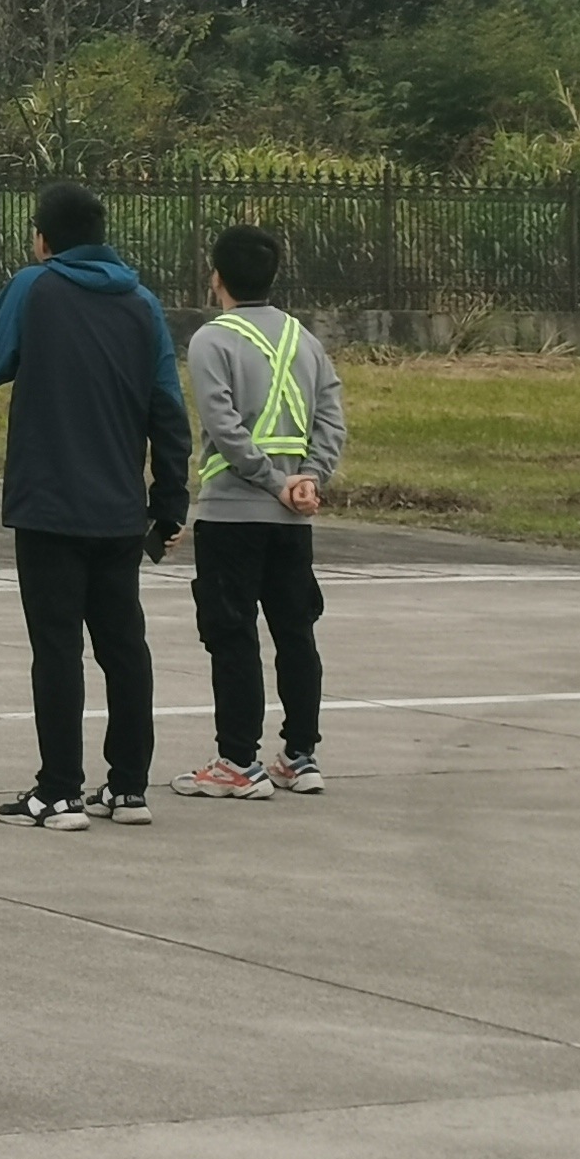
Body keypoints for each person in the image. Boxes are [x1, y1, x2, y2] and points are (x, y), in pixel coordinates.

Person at [0, 182, 190, 830]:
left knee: (57, 647)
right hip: (120, 508)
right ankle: (128, 787)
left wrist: (20, 287)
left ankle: (59, 789)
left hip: (48, 504)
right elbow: (168, 408)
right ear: (102, 233)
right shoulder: (142, 302)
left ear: (43, 237)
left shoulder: (34, 287)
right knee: (124, 644)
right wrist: (170, 501)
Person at [172, 225, 346, 802]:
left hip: (232, 513)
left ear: (215, 276)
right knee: (296, 631)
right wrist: (308, 480)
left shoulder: (210, 341)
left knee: (231, 634)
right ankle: (300, 755)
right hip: (293, 517)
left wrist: (272, 482)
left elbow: (224, 428)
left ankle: (237, 760)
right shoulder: (306, 340)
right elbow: (331, 419)